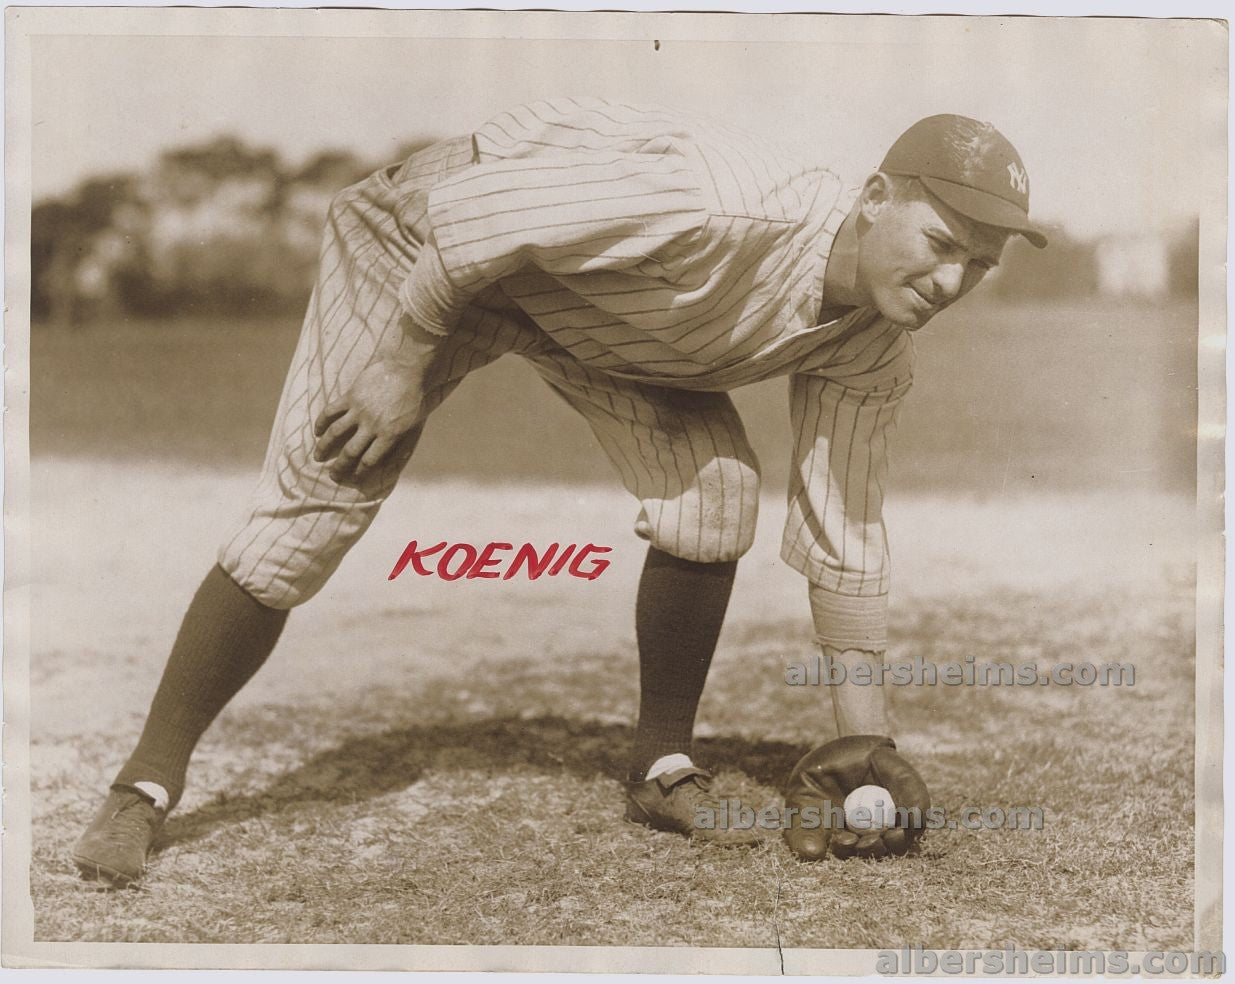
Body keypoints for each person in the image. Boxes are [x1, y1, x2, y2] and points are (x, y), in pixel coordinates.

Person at [72, 97, 1045, 885]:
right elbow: (472, 217)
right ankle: (144, 785)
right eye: (938, 239)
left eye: (978, 263)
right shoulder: (720, 202)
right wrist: (394, 365)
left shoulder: (874, 341)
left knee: (711, 501)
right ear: (873, 195)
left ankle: (661, 766)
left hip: (587, 312)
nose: (951, 276)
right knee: (316, 507)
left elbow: (846, 535)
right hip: (425, 247)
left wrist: (864, 742)